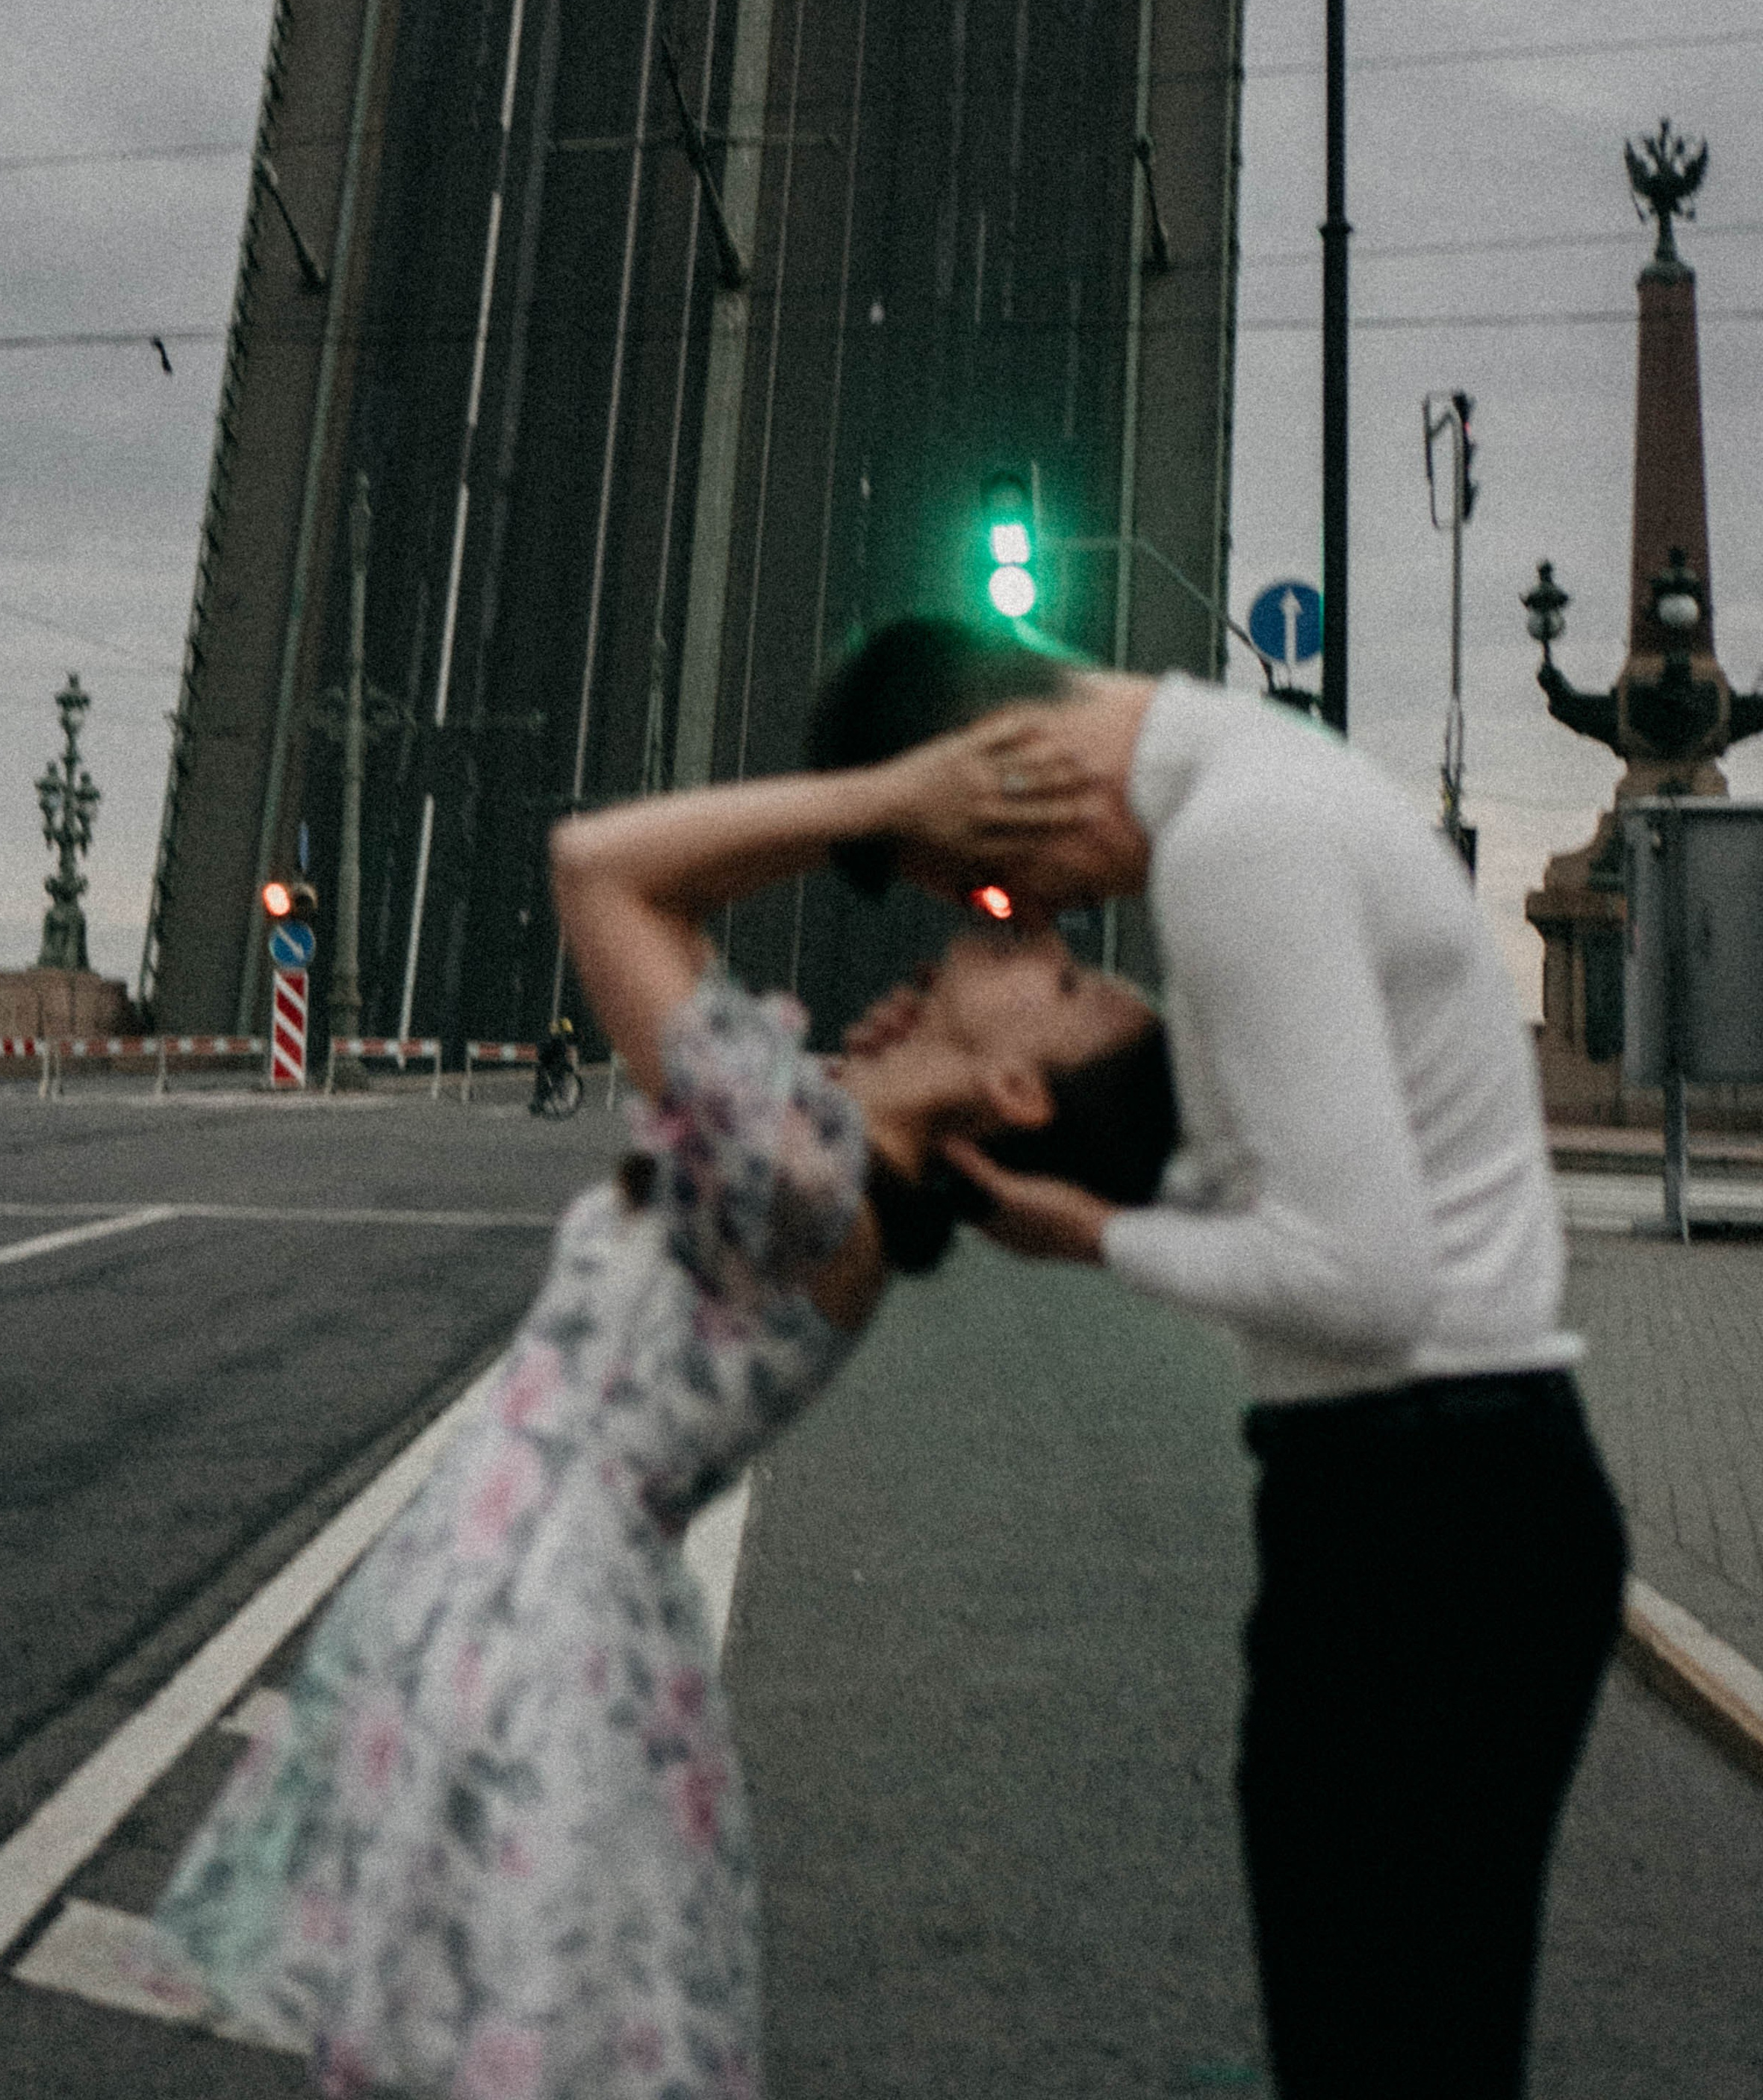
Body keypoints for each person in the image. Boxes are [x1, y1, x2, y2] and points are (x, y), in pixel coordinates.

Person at [141, 747, 1172, 2100]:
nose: (1049, 949)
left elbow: (602, 868)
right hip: (525, 1614)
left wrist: (885, 804)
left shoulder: (809, 1188)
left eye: (1068, 983)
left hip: (537, 1638)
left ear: (1020, 1095)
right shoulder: (817, 1157)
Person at [806, 616, 1628, 2100]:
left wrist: (1089, 1243)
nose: (1016, 910)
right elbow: (1291, 1192)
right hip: (1457, 1497)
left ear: (1011, 769)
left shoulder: (1237, 846)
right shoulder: (1274, 790)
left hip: (1420, 1513)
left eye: (984, 877)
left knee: (1374, 2047)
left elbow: (1361, 1281)